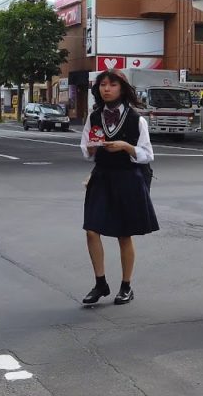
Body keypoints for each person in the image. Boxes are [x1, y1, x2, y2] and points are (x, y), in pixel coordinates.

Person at [79, 69, 158, 306]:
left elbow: (147, 154)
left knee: (124, 234)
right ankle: (100, 282)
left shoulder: (136, 119)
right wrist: (93, 148)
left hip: (128, 178)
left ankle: (126, 286)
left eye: (112, 84)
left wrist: (126, 146)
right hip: (101, 176)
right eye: (103, 84)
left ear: (122, 89)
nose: (106, 89)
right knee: (92, 229)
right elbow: (86, 150)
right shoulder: (93, 116)